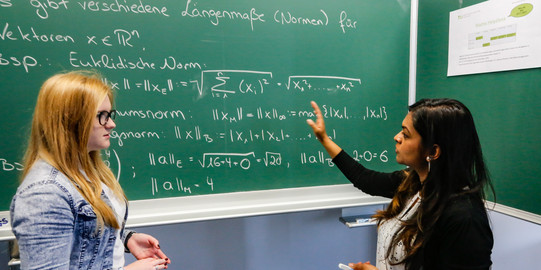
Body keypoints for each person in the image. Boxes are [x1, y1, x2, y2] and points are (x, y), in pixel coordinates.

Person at [306, 99, 494, 270]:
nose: (397, 137)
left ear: (433, 151)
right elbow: (365, 179)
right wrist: (324, 139)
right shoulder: (413, 183)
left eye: (406, 134)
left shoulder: (464, 218)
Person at [10, 71, 171, 270]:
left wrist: (126, 238)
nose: (112, 124)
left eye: (110, 115)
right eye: (102, 116)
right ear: (71, 120)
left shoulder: (87, 170)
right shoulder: (44, 194)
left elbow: (85, 233)